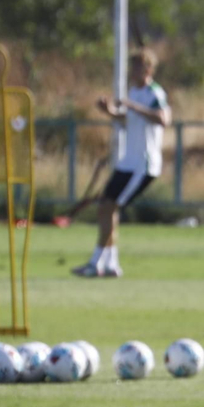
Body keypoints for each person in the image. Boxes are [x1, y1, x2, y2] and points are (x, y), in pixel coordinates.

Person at [72, 48, 170, 278]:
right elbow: (129, 120)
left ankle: (96, 263)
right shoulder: (134, 92)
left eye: (138, 66)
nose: (133, 70)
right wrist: (110, 112)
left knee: (109, 207)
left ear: (149, 69)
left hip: (143, 164)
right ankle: (110, 264)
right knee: (106, 207)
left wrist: (133, 106)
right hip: (128, 161)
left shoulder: (155, 93)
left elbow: (162, 118)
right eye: (132, 66)